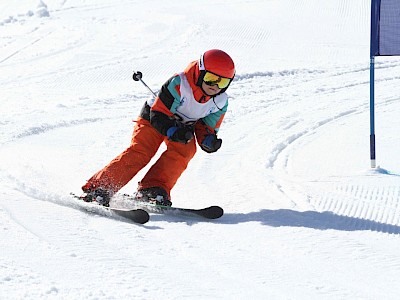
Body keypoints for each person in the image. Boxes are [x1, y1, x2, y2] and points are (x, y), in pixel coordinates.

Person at [81, 49, 235, 206]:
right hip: (154, 118)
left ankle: (153, 188)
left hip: (182, 127)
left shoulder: (220, 102)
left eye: (222, 82)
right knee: (142, 151)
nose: (215, 86)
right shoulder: (180, 84)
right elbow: (158, 114)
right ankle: (99, 188)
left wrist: (207, 140)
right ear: (200, 73)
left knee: (185, 151)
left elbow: (205, 126)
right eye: (210, 79)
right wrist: (171, 131)